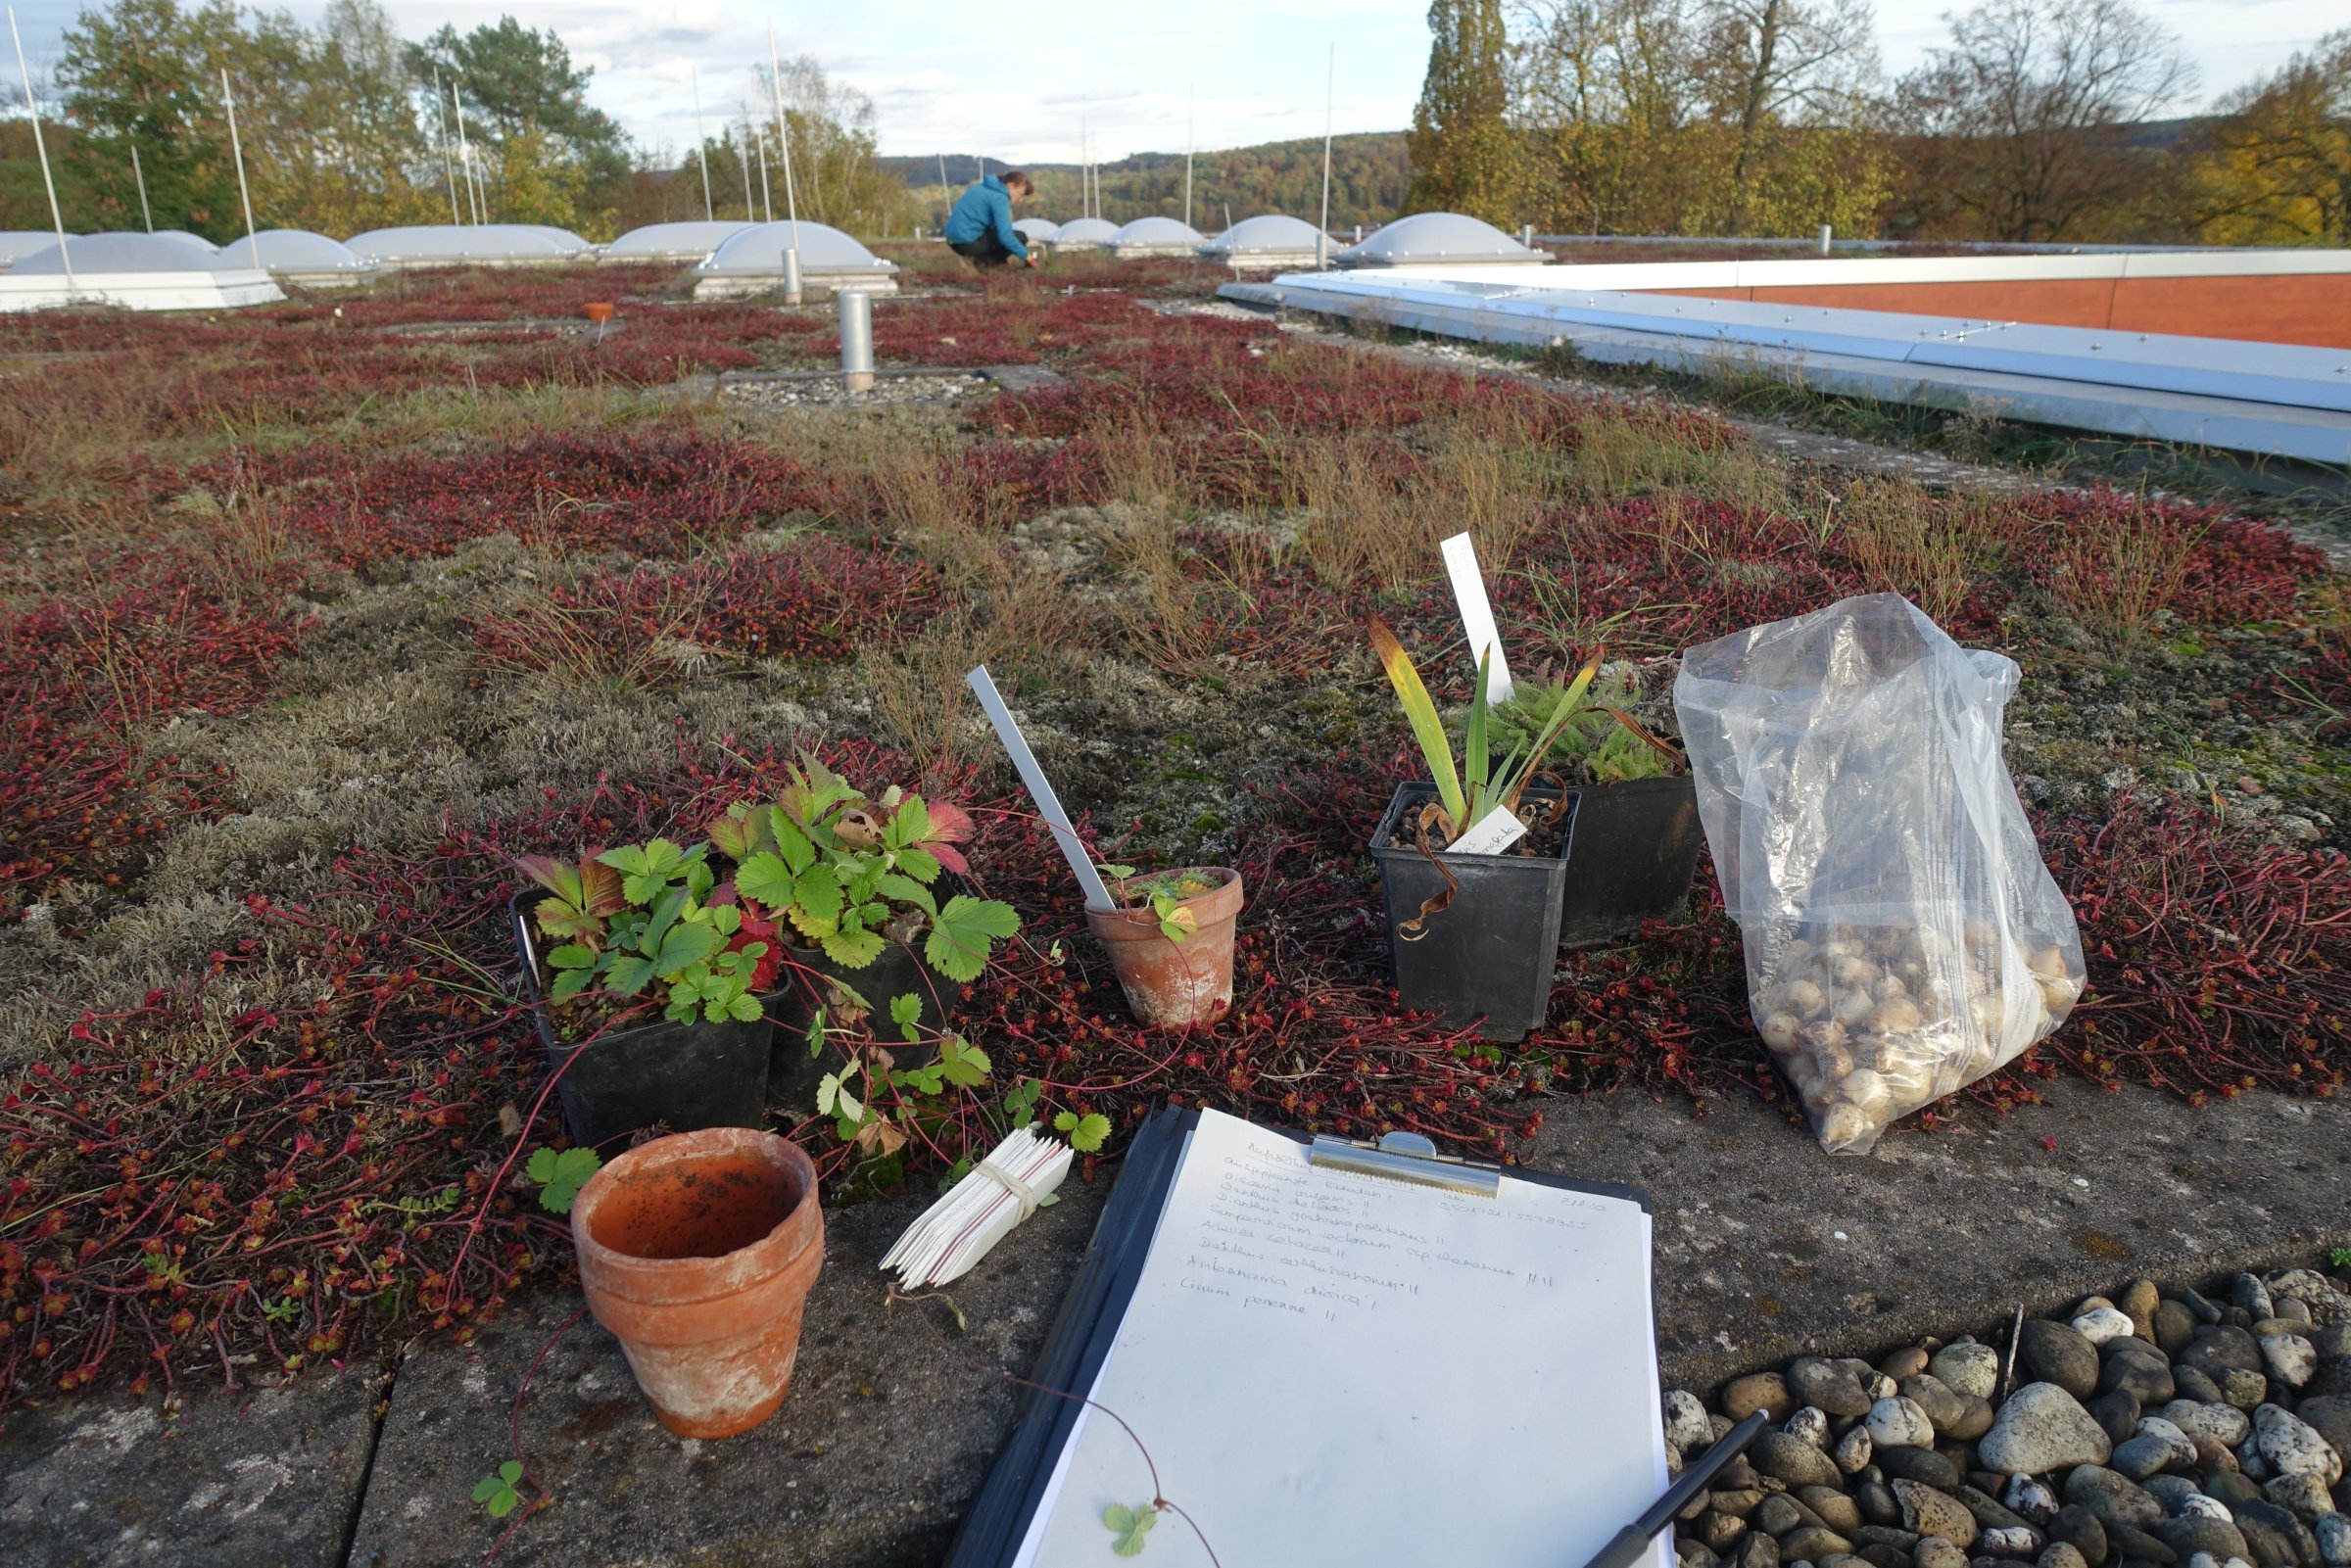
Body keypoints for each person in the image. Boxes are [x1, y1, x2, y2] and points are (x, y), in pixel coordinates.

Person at [944, 168, 1038, 269]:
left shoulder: (982, 187)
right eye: (1020, 194)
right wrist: (1028, 258)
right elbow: (1006, 237)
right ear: (1010, 186)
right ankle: (985, 262)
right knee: (1020, 237)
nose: (1020, 199)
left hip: (953, 241)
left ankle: (994, 261)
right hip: (968, 243)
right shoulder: (1000, 198)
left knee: (996, 233)